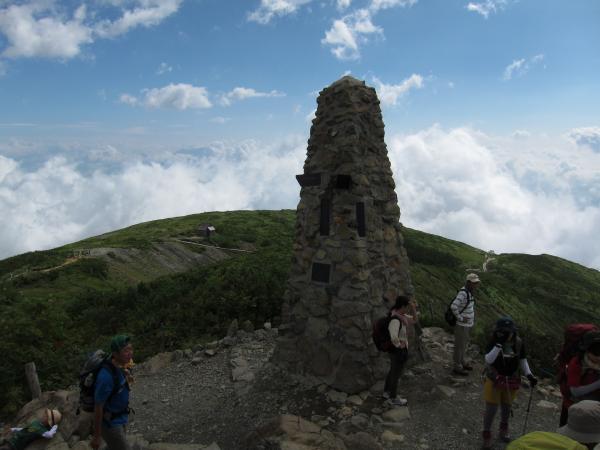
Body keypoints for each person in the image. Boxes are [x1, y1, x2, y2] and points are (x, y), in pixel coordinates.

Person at [481, 317, 538, 449]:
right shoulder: (494, 340)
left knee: (507, 406)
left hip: (511, 379)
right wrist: (498, 345)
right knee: (491, 408)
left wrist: (529, 375)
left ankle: (503, 428)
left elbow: (522, 359)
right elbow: (488, 360)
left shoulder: (518, 342)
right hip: (494, 378)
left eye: (509, 331)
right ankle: (486, 433)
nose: (507, 334)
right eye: (504, 331)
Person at [92, 335, 134, 450]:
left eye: (131, 349)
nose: (130, 353)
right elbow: (98, 407)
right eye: (126, 351)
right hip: (111, 424)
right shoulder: (105, 377)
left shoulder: (122, 365)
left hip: (121, 417)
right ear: (115, 354)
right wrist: (97, 436)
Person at [560, 331, 600, 426]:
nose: (599, 357)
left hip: (595, 410)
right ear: (586, 350)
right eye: (596, 352)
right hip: (573, 408)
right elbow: (575, 391)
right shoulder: (577, 363)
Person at [383, 295, 415, 406]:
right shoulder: (396, 319)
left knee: (392, 371)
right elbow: (393, 336)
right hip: (397, 351)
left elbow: (414, 320)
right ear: (403, 306)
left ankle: (387, 392)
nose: (408, 309)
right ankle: (393, 398)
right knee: (396, 374)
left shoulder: (401, 316)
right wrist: (399, 345)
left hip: (395, 350)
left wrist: (413, 308)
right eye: (407, 307)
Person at [450, 273, 480, 376]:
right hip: (462, 325)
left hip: (467, 325)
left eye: (476, 282)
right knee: (459, 346)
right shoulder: (463, 293)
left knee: (463, 345)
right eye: (474, 283)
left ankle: (462, 362)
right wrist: (461, 318)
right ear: (468, 282)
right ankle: (457, 367)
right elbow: (454, 306)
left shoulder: (470, 292)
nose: (476, 284)